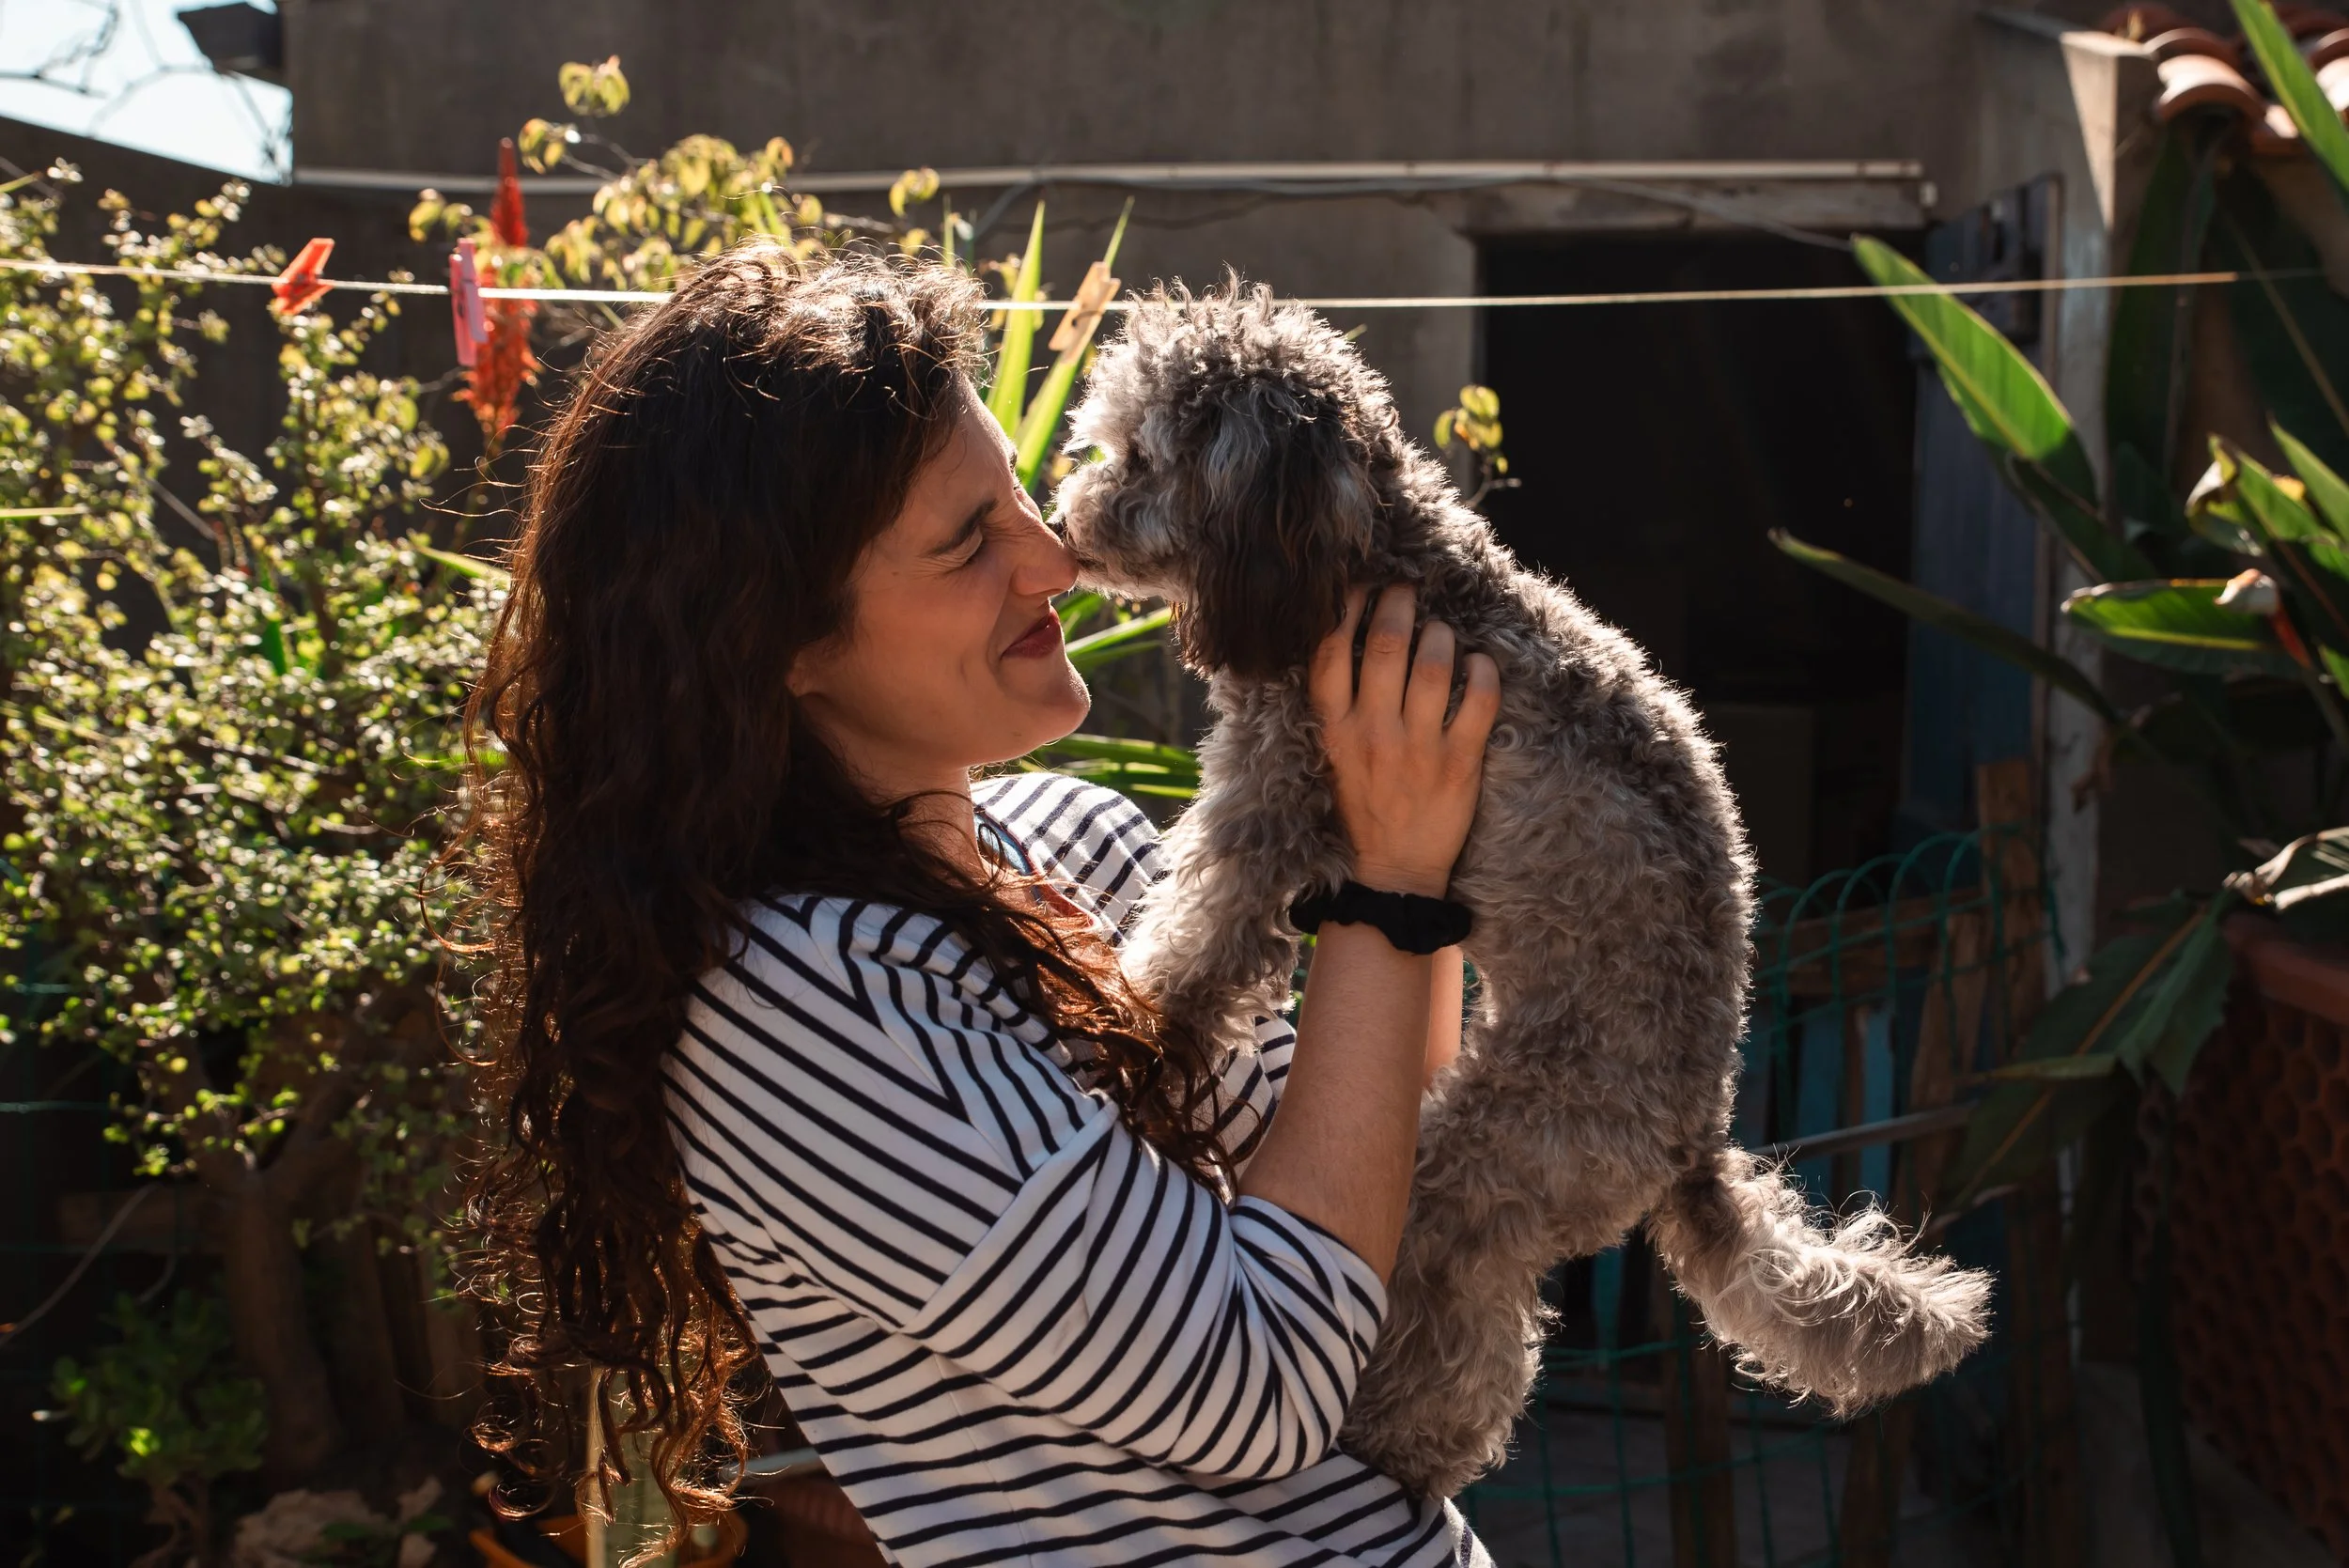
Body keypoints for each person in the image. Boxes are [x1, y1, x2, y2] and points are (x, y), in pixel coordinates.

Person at [464, 243, 1501, 1567]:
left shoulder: (1073, 841)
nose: (1055, 559)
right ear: (780, 642)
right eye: (968, 544)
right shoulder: (804, 1005)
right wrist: (1391, 888)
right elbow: (1262, 1384)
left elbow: (1385, 1174)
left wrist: (1418, 841)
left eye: (1017, 492)